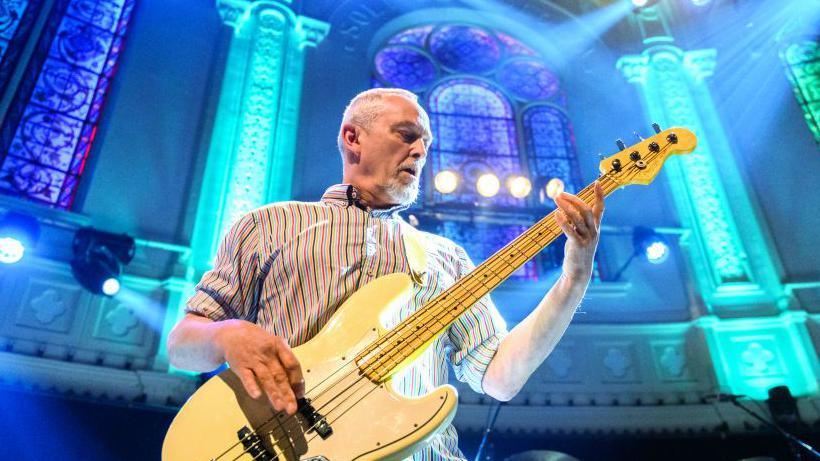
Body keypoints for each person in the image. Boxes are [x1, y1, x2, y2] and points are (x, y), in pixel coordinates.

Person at [167, 88, 604, 460]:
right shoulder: (269, 225)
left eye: (426, 144)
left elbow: (501, 378)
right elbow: (183, 348)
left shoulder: (445, 258)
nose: (420, 151)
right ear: (353, 137)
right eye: (407, 135)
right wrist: (225, 335)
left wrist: (575, 275)